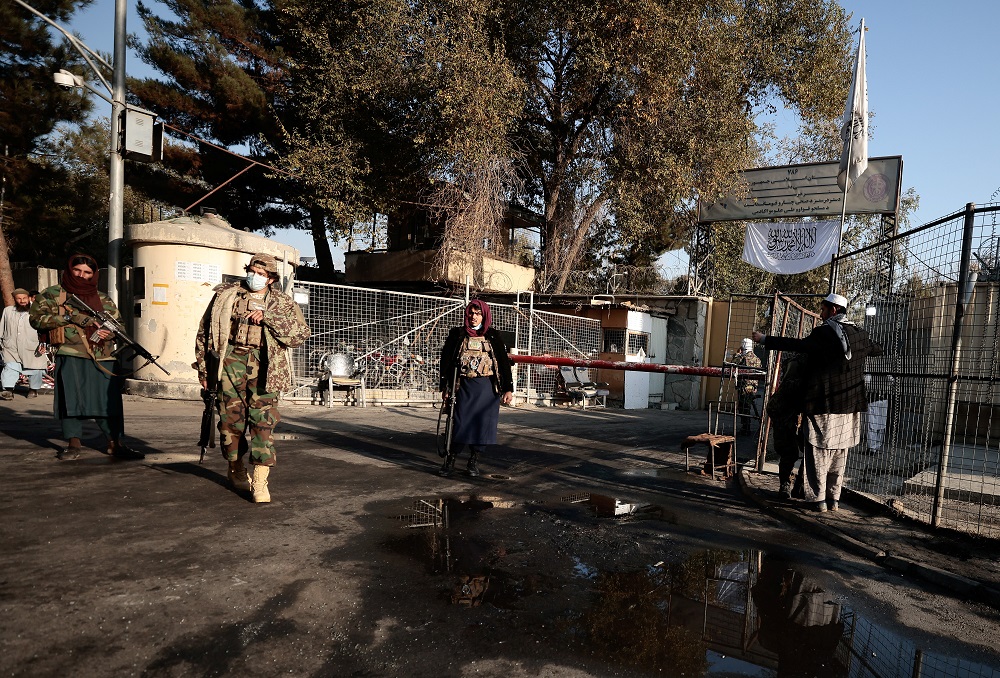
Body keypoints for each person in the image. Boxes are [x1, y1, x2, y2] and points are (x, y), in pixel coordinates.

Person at [195, 253, 310, 503]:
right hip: (231, 360)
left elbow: (300, 335)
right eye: (253, 271)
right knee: (230, 422)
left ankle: (260, 480)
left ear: (270, 279)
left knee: (263, 423)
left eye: (261, 274)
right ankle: (236, 468)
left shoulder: (282, 302)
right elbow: (205, 331)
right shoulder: (227, 295)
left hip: (267, 366)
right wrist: (204, 371)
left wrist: (269, 318)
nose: (255, 276)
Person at [752, 293, 882, 512]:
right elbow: (877, 348)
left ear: (833, 310)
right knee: (840, 455)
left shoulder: (822, 334)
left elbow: (797, 345)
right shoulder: (860, 335)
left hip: (824, 406)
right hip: (850, 407)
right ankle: (834, 500)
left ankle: (818, 500)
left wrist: (765, 339)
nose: (821, 314)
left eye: (823, 310)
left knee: (818, 455)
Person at [29, 254, 143, 460]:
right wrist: (70, 316)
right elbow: (37, 320)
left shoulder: (103, 299)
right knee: (72, 400)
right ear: (70, 270)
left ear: (94, 274)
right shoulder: (53, 294)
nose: (82, 276)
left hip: (103, 357)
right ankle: (73, 444)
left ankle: (115, 444)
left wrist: (111, 333)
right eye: (77, 271)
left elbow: (119, 327)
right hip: (70, 353)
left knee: (109, 403)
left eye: (87, 272)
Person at [438, 300, 514, 478]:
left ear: (484, 315)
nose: (473, 317)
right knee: (459, 424)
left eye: (477, 313)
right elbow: (446, 362)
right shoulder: (458, 334)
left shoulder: (493, 336)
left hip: (487, 389)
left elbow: (503, 364)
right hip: (463, 387)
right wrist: (446, 387)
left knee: (482, 426)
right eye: (471, 313)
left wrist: (508, 389)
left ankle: (473, 462)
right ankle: (450, 460)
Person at [765, 351, 807, 499]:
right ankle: (786, 484)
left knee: (809, 452)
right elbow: (790, 388)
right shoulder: (799, 362)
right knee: (790, 451)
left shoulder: (810, 360)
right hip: (785, 412)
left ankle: (799, 486)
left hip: (801, 412)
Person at [1, 288, 48, 399]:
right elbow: (2, 327)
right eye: (19, 299)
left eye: (24, 298)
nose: (22, 301)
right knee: (10, 367)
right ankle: (8, 390)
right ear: (14, 299)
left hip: (32, 346)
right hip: (11, 346)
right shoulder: (8, 311)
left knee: (35, 368)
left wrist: (44, 344)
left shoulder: (37, 311)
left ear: (29, 298)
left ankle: (33, 390)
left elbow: (44, 329)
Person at [733, 337, 761, 434]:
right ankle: (748, 426)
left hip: (744, 386)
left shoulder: (743, 358)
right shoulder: (757, 359)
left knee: (743, 408)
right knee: (748, 407)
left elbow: (734, 364)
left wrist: (737, 354)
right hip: (753, 387)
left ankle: (746, 428)